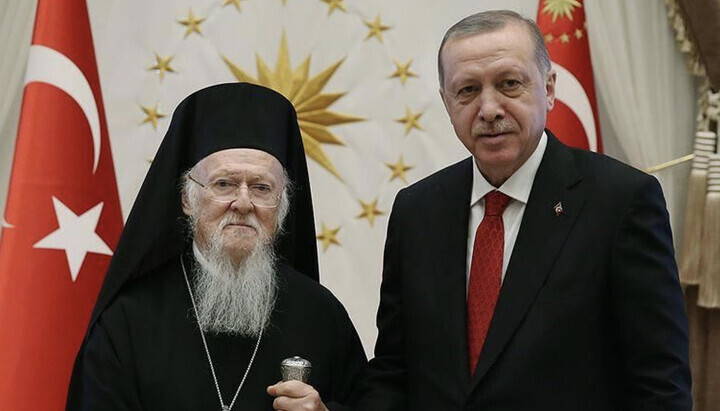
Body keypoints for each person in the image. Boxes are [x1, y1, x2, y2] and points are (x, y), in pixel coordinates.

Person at [355, 10, 692, 411]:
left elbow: (660, 387)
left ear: (548, 89)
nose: (489, 109)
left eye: (509, 84)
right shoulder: (417, 210)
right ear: (447, 104)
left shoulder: (621, 202)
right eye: (467, 91)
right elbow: (395, 372)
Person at [66, 83, 366, 411]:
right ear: (187, 199)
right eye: (224, 184)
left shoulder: (322, 316)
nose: (243, 202)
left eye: (262, 188)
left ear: (282, 206)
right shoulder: (128, 322)